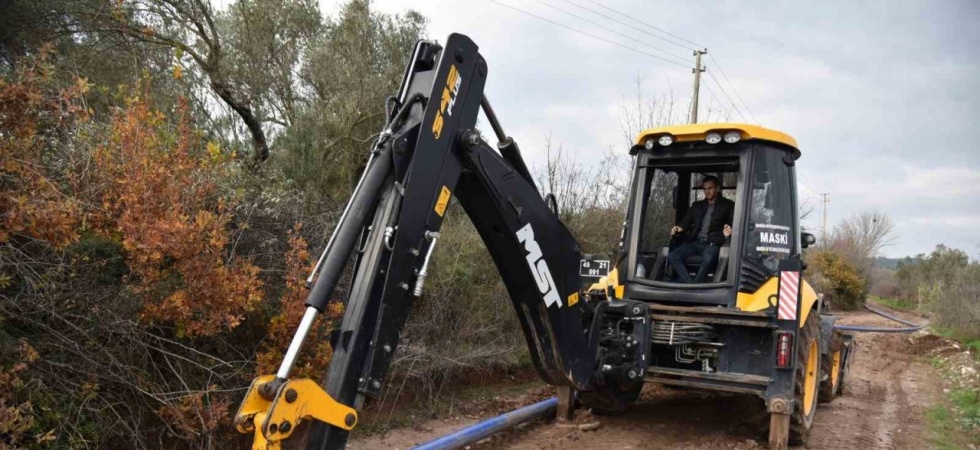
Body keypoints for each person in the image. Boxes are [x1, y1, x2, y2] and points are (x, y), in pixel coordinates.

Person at [667, 176, 734, 283]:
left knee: (708, 257)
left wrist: (730, 229)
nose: (707, 191)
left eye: (710, 188)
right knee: (673, 255)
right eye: (705, 189)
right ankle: (690, 284)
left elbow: (733, 223)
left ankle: (697, 283)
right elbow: (686, 221)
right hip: (696, 242)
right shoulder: (697, 206)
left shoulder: (728, 205)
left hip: (714, 243)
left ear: (717, 188)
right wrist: (679, 227)